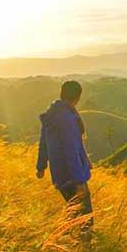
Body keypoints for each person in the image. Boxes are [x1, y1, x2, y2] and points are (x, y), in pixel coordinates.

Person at [36, 80, 93, 234]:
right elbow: (70, 150)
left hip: (60, 174)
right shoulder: (67, 119)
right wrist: (79, 181)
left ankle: (68, 240)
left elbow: (44, 142)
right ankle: (81, 247)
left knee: (74, 212)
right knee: (85, 218)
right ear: (77, 98)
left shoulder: (51, 114)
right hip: (72, 176)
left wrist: (41, 166)